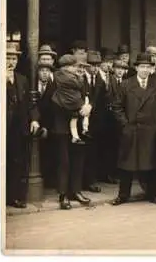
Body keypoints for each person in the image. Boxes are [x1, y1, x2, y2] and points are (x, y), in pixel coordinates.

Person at [110, 53, 156, 206]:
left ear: (151, 69)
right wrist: (125, 124)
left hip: (150, 130)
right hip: (132, 130)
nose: (144, 70)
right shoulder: (125, 85)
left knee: (151, 164)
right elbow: (117, 107)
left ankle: (153, 194)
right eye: (142, 66)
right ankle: (123, 195)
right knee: (127, 165)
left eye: (148, 67)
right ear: (136, 68)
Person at [51, 54, 93, 209]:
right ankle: (63, 195)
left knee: (78, 160)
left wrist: (88, 107)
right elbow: (53, 101)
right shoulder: (56, 80)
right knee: (64, 162)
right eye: (74, 66)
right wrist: (77, 108)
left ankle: (76, 191)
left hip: (79, 124)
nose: (77, 69)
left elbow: (87, 97)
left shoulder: (81, 79)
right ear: (65, 68)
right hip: (62, 125)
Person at [6, 43, 38, 208]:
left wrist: (34, 119)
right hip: (0, 127)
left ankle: (14, 197)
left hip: (18, 128)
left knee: (16, 162)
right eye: (7, 58)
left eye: (13, 58)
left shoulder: (22, 79)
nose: (10, 61)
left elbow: (29, 104)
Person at [82, 51, 107, 193]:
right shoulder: (81, 79)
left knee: (93, 153)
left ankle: (91, 180)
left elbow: (102, 101)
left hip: (96, 123)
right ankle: (83, 181)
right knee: (83, 152)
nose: (94, 68)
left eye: (97, 65)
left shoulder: (100, 81)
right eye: (92, 65)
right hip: (82, 121)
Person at [103, 59, 128, 184]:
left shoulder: (125, 82)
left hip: (121, 119)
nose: (120, 71)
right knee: (110, 148)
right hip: (110, 120)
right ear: (114, 69)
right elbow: (108, 98)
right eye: (118, 68)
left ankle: (117, 173)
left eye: (122, 69)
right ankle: (109, 173)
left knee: (119, 147)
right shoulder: (109, 81)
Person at [35, 62, 57, 188]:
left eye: (47, 71)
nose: (44, 73)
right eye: (42, 70)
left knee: (48, 153)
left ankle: (47, 180)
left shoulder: (53, 87)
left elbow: (52, 110)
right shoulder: (32, 85)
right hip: (34, 123)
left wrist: (47, 127)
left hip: (48, 125)